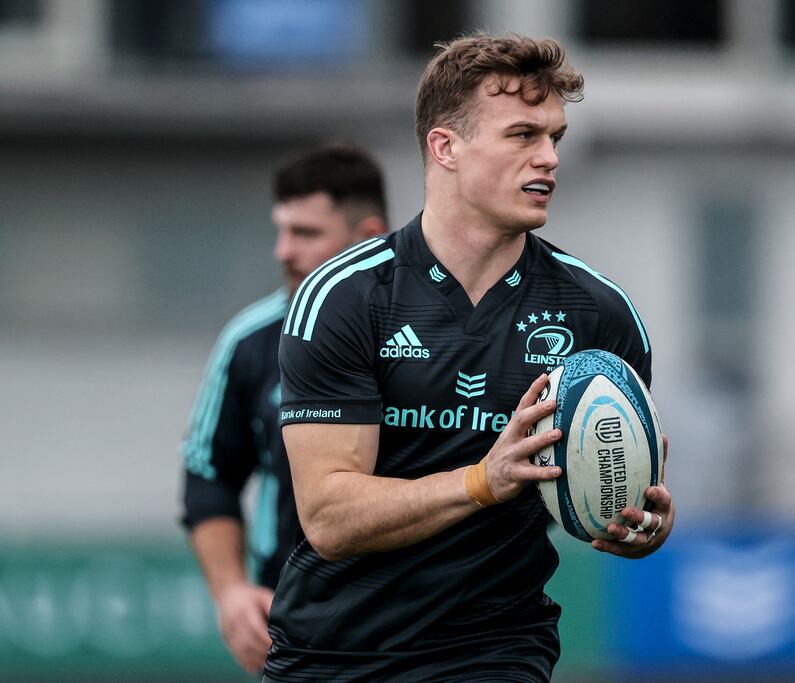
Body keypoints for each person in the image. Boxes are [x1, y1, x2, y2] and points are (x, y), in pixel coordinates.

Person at [264, 34, 675, 682]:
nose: (548, 159)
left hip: (495, 653)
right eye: (522, 135)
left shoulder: (599, 315)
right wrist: (484, 479)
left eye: (555, 138)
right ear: (445, 147)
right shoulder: (344, 298)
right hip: (333, 656)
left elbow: (597, 487)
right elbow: (329, 516)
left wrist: (635, 519)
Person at [180, 144, 389, 673]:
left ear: (368, 237)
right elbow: (208, 475)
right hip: (300, 629)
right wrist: (230, 593)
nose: (283, 251)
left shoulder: (439, 335)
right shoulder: (249, 342)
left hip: (429, 625)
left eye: (306, 233)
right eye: (281, 230)